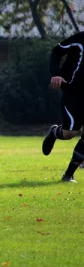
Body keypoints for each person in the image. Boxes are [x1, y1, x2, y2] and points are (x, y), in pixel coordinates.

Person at [41, 31, 84, 182]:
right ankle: (54, 132)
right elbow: (56, 52)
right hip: (73, 92)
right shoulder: (80, 39)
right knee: (69, 133)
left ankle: (68, 175)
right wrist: (56, 74)